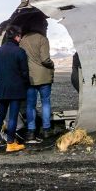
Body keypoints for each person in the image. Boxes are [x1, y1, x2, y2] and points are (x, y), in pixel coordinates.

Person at [0, 25, 29, 153]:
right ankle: (10, 143)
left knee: (0, 115)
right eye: (20, 36)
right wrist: (24, 83)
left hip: (3, 87)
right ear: (17, 36)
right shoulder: (20, 52)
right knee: (12, 117)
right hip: (16, 88)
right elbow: (24, 72)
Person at [19, 11, 56, 143]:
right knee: (45, 102)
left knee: (30, 105)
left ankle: (31, 131)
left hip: (29, 78)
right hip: (44, 76)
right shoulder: (42, 39)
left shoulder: (23, 40)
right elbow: (45, 59)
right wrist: (52, 64)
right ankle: (46, 130)